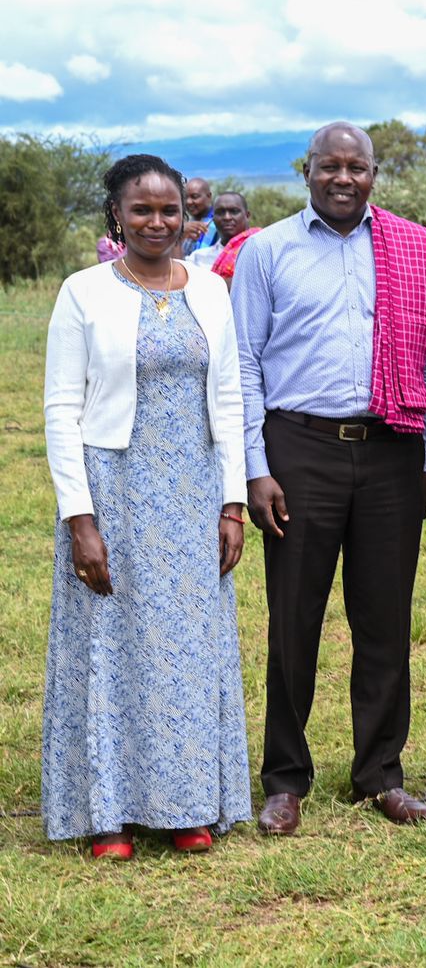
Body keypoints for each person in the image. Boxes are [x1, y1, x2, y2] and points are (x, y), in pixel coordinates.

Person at [232, 122, 426, 835]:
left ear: (375, 174)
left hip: (391, 446)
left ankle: (380, 775)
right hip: (300, 449)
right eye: (331, 165)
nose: (344, 178)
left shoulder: (413, 248)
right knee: (294, 619)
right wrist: (256, 469)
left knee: (384, 620)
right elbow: (244, 365)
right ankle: (285, 780)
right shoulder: (268, 251)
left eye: (358, 167)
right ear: (307, 170)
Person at [42, 154, 252, 859]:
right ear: (116, 216)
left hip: (192, 492)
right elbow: (60, 408)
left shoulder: (211, 290)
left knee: (187, 651)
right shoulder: (83, 292)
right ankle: (109, 813)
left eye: (171, 211)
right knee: (111, 646)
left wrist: (232, 504)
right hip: (113, 490)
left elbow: (228, 398)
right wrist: (80, 520)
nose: (159, 222)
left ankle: (187, 802)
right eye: (142, 210)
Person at [190, 191, 257, 285]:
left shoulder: (259, 250)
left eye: (234, 211)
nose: (227, 217)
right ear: (213, 217)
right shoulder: (198, 257)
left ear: (247, 216)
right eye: (220, 212)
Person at [182, 176, 216, 255]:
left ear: (209, 196)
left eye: (195, 197)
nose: (189, 202)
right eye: (185, 197)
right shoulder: (187, 223)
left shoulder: (218, 223)